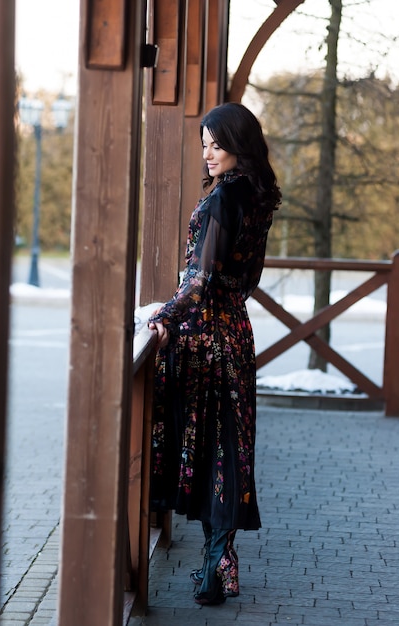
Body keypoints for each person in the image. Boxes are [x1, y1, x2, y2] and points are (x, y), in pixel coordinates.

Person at [148, 102, 281, 605]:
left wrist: (160, 316)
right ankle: (217, 562)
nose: (206, 152)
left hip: (206, 338)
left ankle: (216, 565)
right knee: (225, 446)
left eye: (216, 144)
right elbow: (243, 281)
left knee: (209, 445)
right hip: (234, 331)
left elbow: (199, 281)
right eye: (203, 142)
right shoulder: (256, 195)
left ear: (238, 144)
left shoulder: (226, 198)